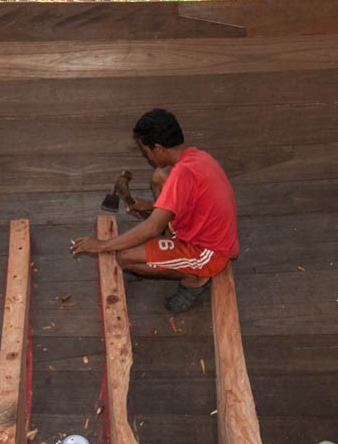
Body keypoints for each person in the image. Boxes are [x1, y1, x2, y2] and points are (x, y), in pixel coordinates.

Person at [71, 108, 238, 313]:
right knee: (159, 176)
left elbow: (151, 228)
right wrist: (152, 206)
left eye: (147, 151)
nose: (147, 156)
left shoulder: (180, 176)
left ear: (158, 148)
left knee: (124, 256)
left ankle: (195, 280)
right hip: (201, 229)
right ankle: (169, 247)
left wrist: (102, 245)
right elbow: (191, 198)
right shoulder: (197, 156)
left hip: (208, 253)